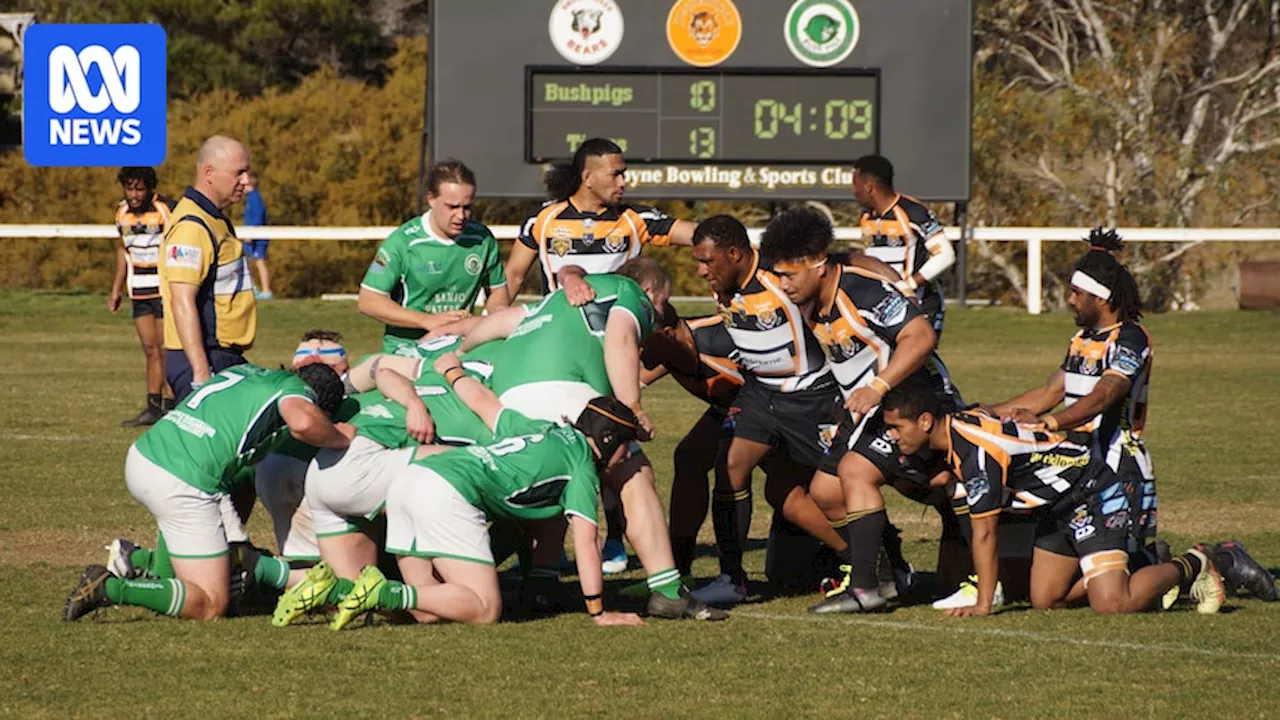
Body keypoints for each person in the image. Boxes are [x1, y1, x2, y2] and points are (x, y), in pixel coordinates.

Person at [879, 375, 1270, 616]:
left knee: (1112, 603)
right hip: (1059, 509)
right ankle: (1140, 562)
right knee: (1047, 600)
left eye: (896, 427)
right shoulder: (960, 428)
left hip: (1093, 493)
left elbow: (985, 534)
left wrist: (983, 604)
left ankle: (1205, 559)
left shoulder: (977, 451)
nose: (893, 435)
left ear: (926, 421)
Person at [503, 138, 697, 570]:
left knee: (614, 446)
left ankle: (614, 541)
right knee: (548, 444)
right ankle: (541, 546)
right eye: (616, 173)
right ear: (587, 176)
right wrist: (500, 327)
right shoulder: (544, 219)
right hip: (562, 353)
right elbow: (512, 276)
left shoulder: (634, 220)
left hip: (612, 353)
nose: (624, 181)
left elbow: (692, 234)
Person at [760, 208, 950, 614]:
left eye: (790, 275)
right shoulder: (811, 295)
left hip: (911, 401)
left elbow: (921, 336)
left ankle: (867, 587)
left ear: (818, 267)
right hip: (866, 409)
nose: (783, 284)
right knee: (825, 493)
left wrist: (878, 386)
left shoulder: (863, 293)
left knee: (884, 477)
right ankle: (891, 574)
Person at [63, 363, 351, 622]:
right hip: (182, 481)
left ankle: (142, 563)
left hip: (144, 455)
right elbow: (304, 422)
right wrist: (339, 436)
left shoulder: (244, 372)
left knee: (188, 567)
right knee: (211, 603)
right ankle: (110, 587)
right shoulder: (297, 392)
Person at [685, 215, 864, 606]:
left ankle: (868, 561)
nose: (701, 271)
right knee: (730, 466)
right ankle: (732, 578)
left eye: (706, 261)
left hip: (812, 398)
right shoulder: (725, 285)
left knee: (831, 487)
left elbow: (839, 270)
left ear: (735, 254)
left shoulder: (779, 275)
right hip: (759, 396)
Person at [358, 159, 509, 353]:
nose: (461, 216)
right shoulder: (403, 243)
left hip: (460, 346)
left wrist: (492, 320)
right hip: (407, 349)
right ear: (431, 199)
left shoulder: (482, 239)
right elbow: (369, 301)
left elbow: (498, 292)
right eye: (452, 207)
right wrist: (427, 321)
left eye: (467, 207)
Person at [159, 135, 257, 401]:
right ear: (209, 173)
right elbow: (182, 300)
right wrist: (201, 374)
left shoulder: (215, 220)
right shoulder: (192, 227)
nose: (246, 182)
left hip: (222, 355)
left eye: (247, 172)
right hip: (204, 357)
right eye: (239, 173)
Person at [852, 155, 955, 338]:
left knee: (917, 361)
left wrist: (908, 286)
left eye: (856, 185)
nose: (854, 192)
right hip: (886, 306)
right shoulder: (867, 217)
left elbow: (945, 255)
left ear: (869, 186)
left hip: (920, 303)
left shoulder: (913, 212)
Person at [109, 166, 175, 426]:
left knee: (166, 348)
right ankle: (153, 407)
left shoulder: (165, 210)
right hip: (138, 290)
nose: (134, 194)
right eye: (129, 188)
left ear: (150, 188)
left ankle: (173, 406)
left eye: (140, 188)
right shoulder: (121, 213)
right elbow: (122, 251)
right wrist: (116, 289)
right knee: (150, 349)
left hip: (163, 289)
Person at [241, 172, 273, 300]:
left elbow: (258, 217)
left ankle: (266, 291)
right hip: (252, 235)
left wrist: (251, 234)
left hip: (257, 237)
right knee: (246, 261)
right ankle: (253, 287)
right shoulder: (250, 198)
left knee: (260, 262)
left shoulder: (255, 198)